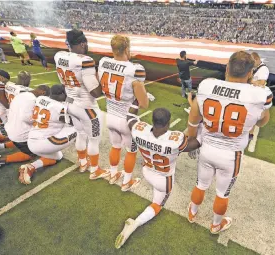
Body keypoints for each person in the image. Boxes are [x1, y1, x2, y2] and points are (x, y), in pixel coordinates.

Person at [187, 51, 272, 234]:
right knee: (222, 193)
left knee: (201, 184)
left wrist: (192, 137)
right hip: (231, 155)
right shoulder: (259, 94)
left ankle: (192, 213)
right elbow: (262, 121)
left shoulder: (207, 85)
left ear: (227, 68)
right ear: (250, 73)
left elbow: (194, 114)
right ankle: (216, 225)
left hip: (207, 148)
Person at [115, 106, 200, 249]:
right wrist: (202, 125)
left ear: (152, 120)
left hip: (147, 171)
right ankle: (135, 224)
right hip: (163, 180)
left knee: (166, 154)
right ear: (168, 123)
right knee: (157, 204)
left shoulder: (139, 129)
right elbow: (195, 143)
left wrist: (136, 102)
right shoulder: (176, 139)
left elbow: (129, 116)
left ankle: (134, 224)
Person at [54, 29, 108, 180]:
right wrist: (105, 85)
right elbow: (95, 93)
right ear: (83, 43)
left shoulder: (59, 56)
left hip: (71, 103)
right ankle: (95, 170)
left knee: (81, 134)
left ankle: (83, 162)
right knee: (94, 138)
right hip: (87, 107)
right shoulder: (85, 61)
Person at [98, 35, 149, 191]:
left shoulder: (103, 62)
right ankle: (127, 182)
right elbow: (144, 104)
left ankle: (113, 174)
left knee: (115, 146)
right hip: (127, 118)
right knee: (131, 151)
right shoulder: (135, 69)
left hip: (110, 115)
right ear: (127, 49)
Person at [0, 85, 51, 176]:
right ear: (43, 93)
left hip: (11, 128)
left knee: (30, 136)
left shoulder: (21, 95)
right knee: (31, 154)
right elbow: (26, 118)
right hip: (19, 134)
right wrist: (39, 120)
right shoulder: (31, 99)